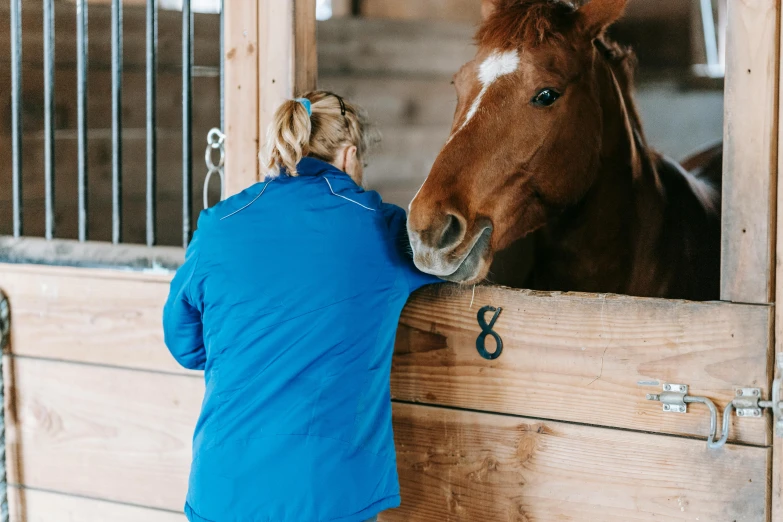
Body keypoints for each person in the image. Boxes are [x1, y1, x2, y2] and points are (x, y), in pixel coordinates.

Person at [163, 91, 441, 522]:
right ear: (349, 157)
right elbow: (450, 255)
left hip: (222, 491)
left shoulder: (218, 225)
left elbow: (184, 344)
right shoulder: (378, 229)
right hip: (325, 497)